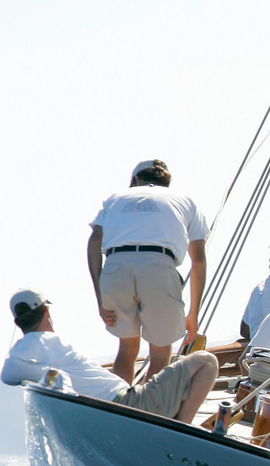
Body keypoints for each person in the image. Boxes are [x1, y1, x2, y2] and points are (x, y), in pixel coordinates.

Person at [4, 289, 217, 425]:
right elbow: (8, 371)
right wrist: (53, 375)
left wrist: (52, 377)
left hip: (118, 406)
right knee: (206, 361)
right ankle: (180, 430)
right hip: (130, 404)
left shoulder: (38, 347)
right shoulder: (41, 340)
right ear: (46, 312)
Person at [88, 159, 209, 383]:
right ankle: (149, 403)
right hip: (159, 266)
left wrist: (100, 299)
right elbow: (198, 262)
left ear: (136, 180)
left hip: (116, 266)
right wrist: (193, 313)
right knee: (161, 352)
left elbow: (94, 243)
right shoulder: (184, 201)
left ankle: (120, 401)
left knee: (126, 347)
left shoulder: (115, 198)